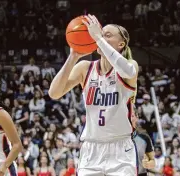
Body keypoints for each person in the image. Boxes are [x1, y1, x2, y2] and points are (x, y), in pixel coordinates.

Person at [49, 14, 139, 176]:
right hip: (91, 148)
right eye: (100, 33)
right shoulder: (85, 68)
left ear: (121, 44)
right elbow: (54, 93)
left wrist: (98, 37)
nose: (99, 36)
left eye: (107, 35)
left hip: (120, 148)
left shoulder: (130, 66)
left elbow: (127, 70)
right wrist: (73, 56)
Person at [132, 107, 155, 176]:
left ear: (137, 117)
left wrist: (148, 164)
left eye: (132, 116)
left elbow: (152, 161)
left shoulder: (144, 138)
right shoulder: (117, 139)